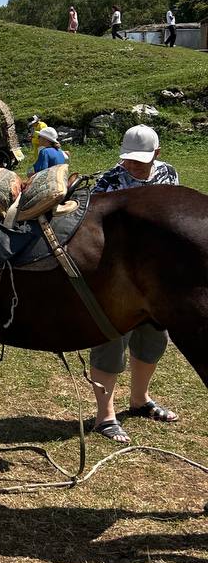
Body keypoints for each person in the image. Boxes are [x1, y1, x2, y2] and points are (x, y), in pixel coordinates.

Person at [88, 124, 180, 443]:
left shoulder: (169, 174)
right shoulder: (110, 179)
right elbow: (93, 228)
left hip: (155, 278)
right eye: (128, 159)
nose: (132, 165)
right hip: (118, 277)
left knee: (154, 338)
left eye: (140, 159)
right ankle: (105, 416)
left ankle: (140, 400)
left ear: (157, 153)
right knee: (111, 340)